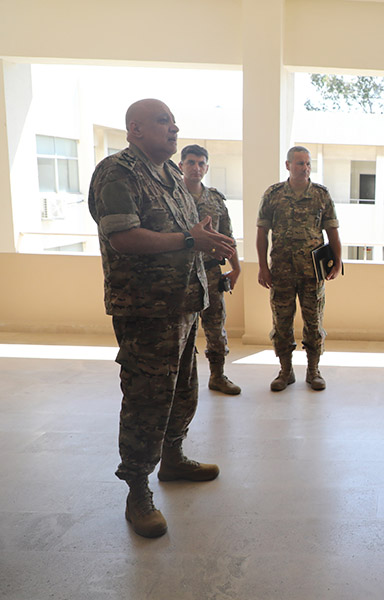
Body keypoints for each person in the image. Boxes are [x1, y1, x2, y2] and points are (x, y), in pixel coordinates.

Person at [88, 99, 236, 538]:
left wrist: (205, 241)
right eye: (163, 122)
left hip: (184, 303)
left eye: (173, 122)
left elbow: (189, 237)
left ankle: (172, 458)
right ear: (135, 129)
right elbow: (125, 238)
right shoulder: (117, 173)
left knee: (184, 389)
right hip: (146, 309)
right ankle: (137, 490)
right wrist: (191, 240)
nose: (174, 129)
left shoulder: (172, 174)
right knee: (146, 399)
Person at [257, 146, 342, 392]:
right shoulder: (273, 195)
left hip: (312, 273)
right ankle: (285, 370)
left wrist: (337, 262)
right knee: (282, 323)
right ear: (288, 165)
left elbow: (332, 231)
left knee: (314, 323)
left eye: (307, 164)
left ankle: (313, 370)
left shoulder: (320, 195)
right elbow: (261, 232)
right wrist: (263, 267)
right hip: (281, 271)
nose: (304, 168)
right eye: (299, 164)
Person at [179, 144, 241, 395]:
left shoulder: (215, 200)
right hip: (181, 275)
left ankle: (217, 375)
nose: (196, 168)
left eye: (201, 163)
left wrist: (236, 268)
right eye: (191, 162)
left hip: (211, 273)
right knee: (182, 329)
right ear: (181, 165)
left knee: (216, 327)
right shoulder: (172, 197)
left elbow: (228, 237)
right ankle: (182, 380)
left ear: (206, 167)